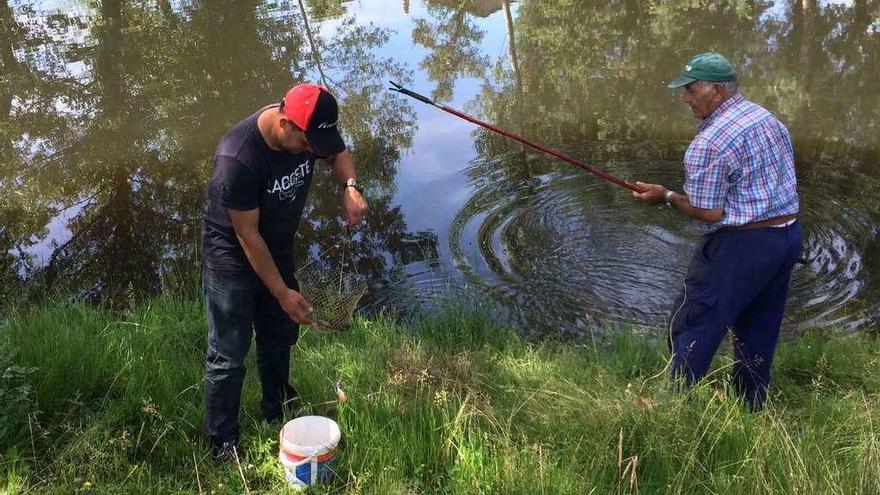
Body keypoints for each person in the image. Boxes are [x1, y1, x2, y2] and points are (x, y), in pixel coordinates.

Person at [200, 83, 367, 460]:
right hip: (232, 258)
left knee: (279, 334)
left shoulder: (309, 134)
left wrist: (351, 186)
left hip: (276, 247)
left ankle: (276, 406)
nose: (313, 153)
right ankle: (221, 440)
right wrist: (281, 292)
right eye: (308, 145)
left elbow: (337, 151)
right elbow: (247, 235)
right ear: (286, 123)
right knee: (228, 354)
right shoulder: (238, 159)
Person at [633, 52, 802, 410]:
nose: (685, 98)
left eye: (692, 90)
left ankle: (671, 406)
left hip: (741, 248)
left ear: (719, 91)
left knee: (694, 321)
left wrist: (665, 197)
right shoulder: (765, 117)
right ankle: (748, 405)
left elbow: (709, 212)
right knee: (760, 326)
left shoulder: (709, 143)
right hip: (787, 238)